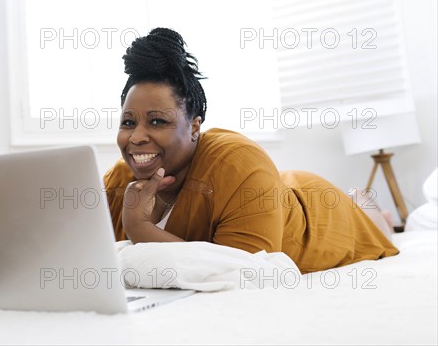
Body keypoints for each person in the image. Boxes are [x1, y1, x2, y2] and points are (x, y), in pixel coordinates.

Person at [103, 27, 399, 274]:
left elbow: (250, 273)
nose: (137, 136)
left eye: (157, 121)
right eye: (128, 122)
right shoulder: (119, 180)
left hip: (319, 211)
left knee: (374, 222)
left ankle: (366, 204)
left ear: (194, 127)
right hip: (269, 192)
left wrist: (140, 228)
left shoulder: (236, 160)